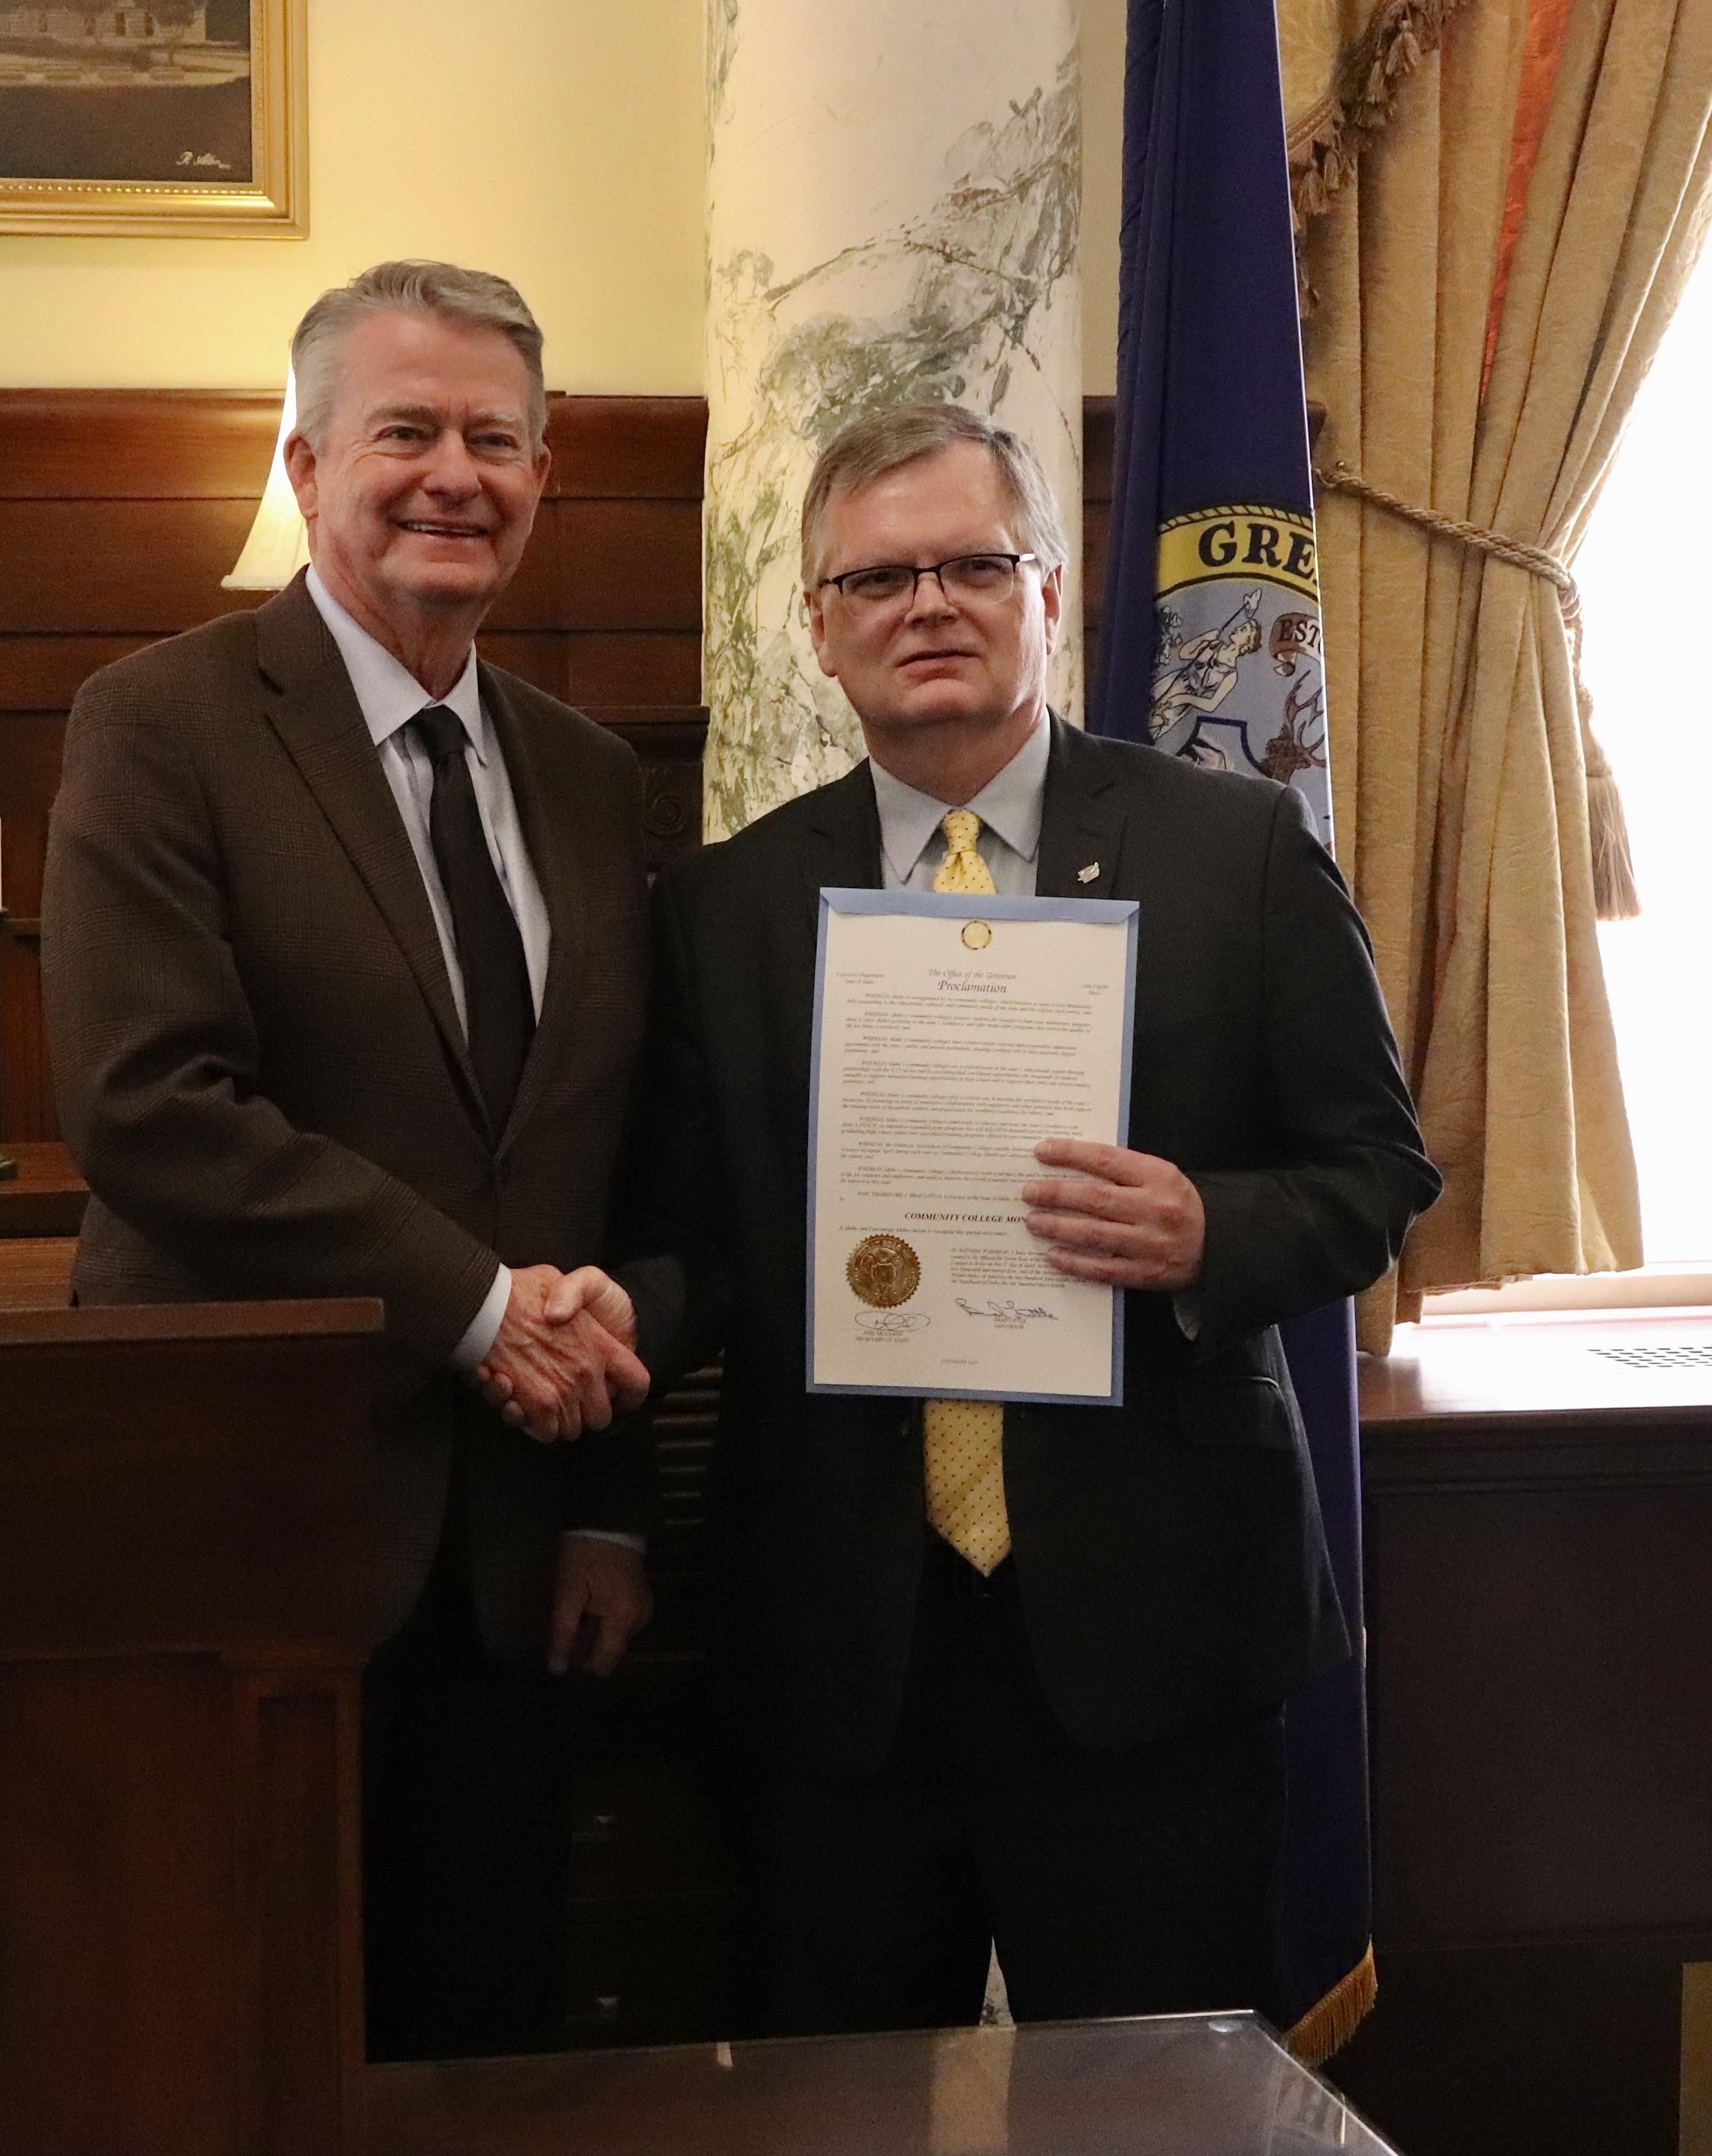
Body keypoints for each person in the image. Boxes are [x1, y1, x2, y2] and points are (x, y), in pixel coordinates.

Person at [594, 402, 1439, 2034]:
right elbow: (687, 1234)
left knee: (1162, 2119)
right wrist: (597, 1324)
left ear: (1052, 595)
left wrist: (1209, 1227)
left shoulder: (1240, 853)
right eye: (882, 579)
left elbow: (1377, 1177)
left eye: (976, 564)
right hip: (842, 1647)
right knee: (827, 2118)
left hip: (1154, 1633)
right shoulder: (726, 909)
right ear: (823, 634)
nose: (932, 605)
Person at [40, 260, 657, 2061]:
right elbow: (150, 1103)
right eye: (407, 433)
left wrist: (609, 1492)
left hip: (518, 1550)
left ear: (545, 483)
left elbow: (604, 1140)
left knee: (486, 2035)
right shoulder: (160, 722)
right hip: (249, 1510)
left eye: (496, 439)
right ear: (306, 467)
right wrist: (479, 1312)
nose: (452, 474)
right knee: (237, 2032)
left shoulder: (588, 773)